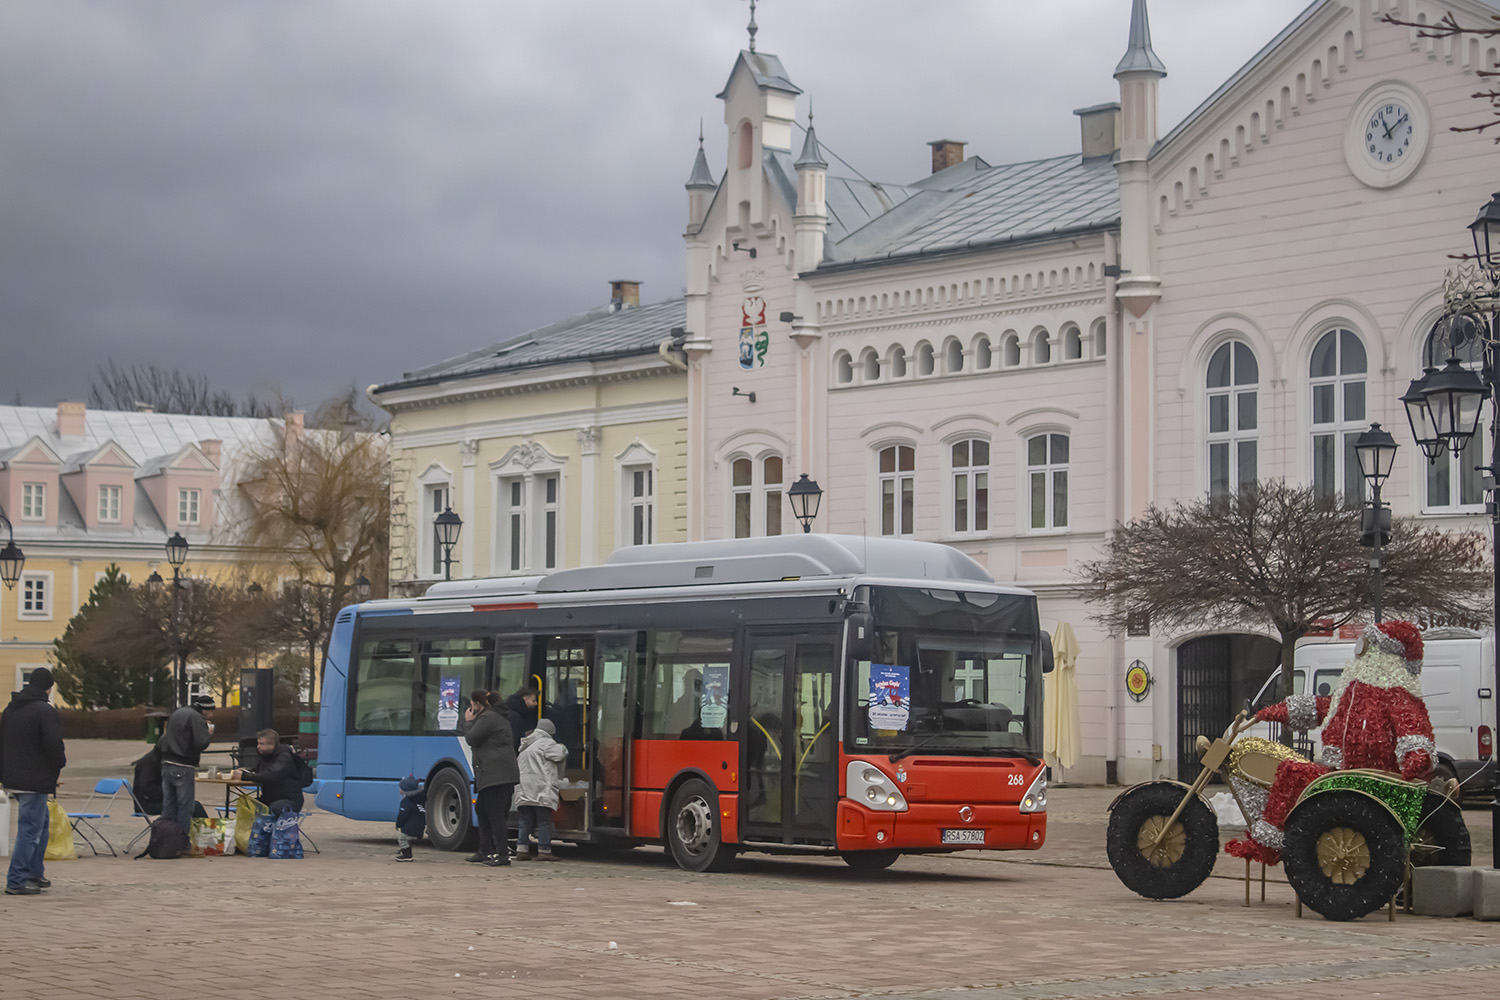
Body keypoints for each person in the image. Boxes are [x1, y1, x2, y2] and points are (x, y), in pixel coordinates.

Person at [1227, 620, 1436, 865]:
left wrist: (1416, 754)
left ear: (1382, 654)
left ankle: (1271, 845)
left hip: (1366, 778)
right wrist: (1278, 711)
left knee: (1290, 772)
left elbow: (1411, 726)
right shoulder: (1354, 691)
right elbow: (1325, 707)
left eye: (1367, 643)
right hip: (1344, 773)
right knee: (1290, 770)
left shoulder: (1396, 694)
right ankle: (1279, 838)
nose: (1360, 649)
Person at [1, 667, 66, 896]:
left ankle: (34, 873)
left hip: (14, 777)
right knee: (30, 830)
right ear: (48, 688)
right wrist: (59, 762)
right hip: (34, 779)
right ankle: (17, 879)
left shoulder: (11, 709)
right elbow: (53, 744)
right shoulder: (44, 711)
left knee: (41, 824)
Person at [459, 690, 518, 867]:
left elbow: (471, 739)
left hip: (496, 774)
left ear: (477, 703)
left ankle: (502, 855)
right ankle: (484, 851)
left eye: (472, 704)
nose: (471, 707)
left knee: (495, 815)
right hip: (495, 773)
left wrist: (468, 723)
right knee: (482, 811)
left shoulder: (488, 718)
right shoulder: (496, 716)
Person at [158, 695, 215, 851]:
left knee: (169, 805)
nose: (213, 715)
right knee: (185, 806)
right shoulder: (196, 718)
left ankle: (165, 839)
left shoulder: (179, 712)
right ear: (205, 710)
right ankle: (182, 843)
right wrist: (207, 732)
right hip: (183, 765)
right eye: (211, 711)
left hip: (167, 763)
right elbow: (201, 743)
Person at [514, 719, 567, 861]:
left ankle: (522, 849)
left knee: (525, 820)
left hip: (524, 789)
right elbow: (560, 754)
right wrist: (562, 746)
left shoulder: (526, 744)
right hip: (541, 790)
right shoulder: (547, 743)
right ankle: (544, 850)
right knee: (544, 821)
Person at [231, 729, 305, 815]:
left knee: (275, 807)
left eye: (261, 744)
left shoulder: (284, 757)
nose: (258, 746)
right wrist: (247, 770)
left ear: (272, 745)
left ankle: (273, 827)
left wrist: (244, 776)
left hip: (288, 800)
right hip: (268, 799)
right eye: (258, 743)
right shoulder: (265, 756)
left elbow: (270, 775)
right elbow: (258, 771)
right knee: (245, 803)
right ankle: (249, 828)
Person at [395, 775, 426, 862]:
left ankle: (407, 854)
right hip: (420, 826)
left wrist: (398, 824)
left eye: (400, 788)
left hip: (410, 827)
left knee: (402, 839)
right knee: (407, 839)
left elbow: (403, 815)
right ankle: (406, 851)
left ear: (405, 790)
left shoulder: (406, 802)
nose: (399, 790)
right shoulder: (420, 798)